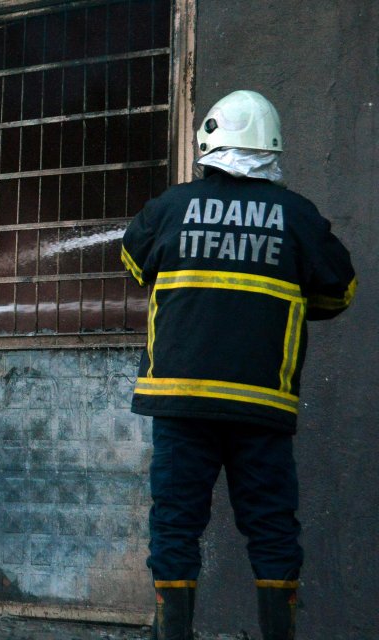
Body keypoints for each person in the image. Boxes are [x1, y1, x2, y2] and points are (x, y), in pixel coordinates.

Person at [120, 90, 356, 640]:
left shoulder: (171, 207)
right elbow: (339, 292)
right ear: (271, 148)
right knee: (272, 528)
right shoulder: (298, 217)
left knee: (175, 524)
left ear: (210, 145)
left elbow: (134, 261)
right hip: (260, 405)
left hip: (180, 402)